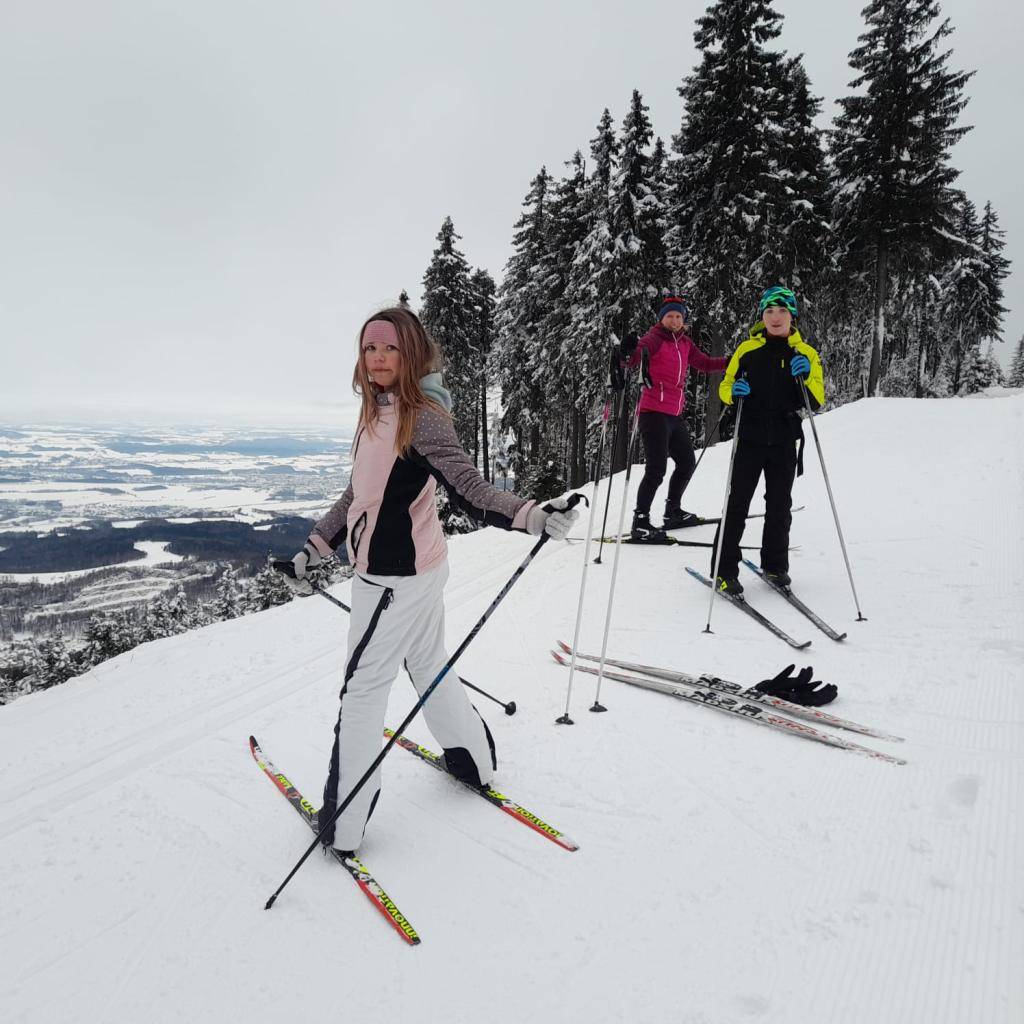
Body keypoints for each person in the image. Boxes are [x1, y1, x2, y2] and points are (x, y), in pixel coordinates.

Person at [283, 307, 579, 854]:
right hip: (415, 572)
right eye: (370, 348)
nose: (378, 358)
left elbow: (469, 487)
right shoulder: (378, 411)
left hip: (393, 580)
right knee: (426, 664)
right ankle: (475, 763)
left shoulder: (421, 416)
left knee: (363, 690)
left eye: (390, 349)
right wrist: (315, 546)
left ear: (411, 353)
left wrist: (534, 514)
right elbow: (359, 496)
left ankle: (343, 824)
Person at [711, 286, 824, 595]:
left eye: (782, 311)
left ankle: (775, 566)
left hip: (785, 438)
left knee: (779, 506)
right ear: (762, 316)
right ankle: (723, 571)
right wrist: (734, 392)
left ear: (793, 315)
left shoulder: (807, 354)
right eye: (770, 311)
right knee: (737, 504)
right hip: (750, 435)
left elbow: (816, 401)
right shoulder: (747, 350)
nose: (776, 317)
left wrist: (805, 379)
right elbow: (725, 388)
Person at [620, 296, 728, 542]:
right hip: (653, 413)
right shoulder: (654, 339)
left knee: (687, 463)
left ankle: (672, 512)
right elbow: (635, 357)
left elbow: (705, 364)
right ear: (662, 319)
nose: (675, 320)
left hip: (674, 414)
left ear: (684, 319)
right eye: (670, 316)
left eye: (679, 316)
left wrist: (732, 362)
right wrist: (626, 352)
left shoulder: (685, 343)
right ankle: (641, 523)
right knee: (656, 469)